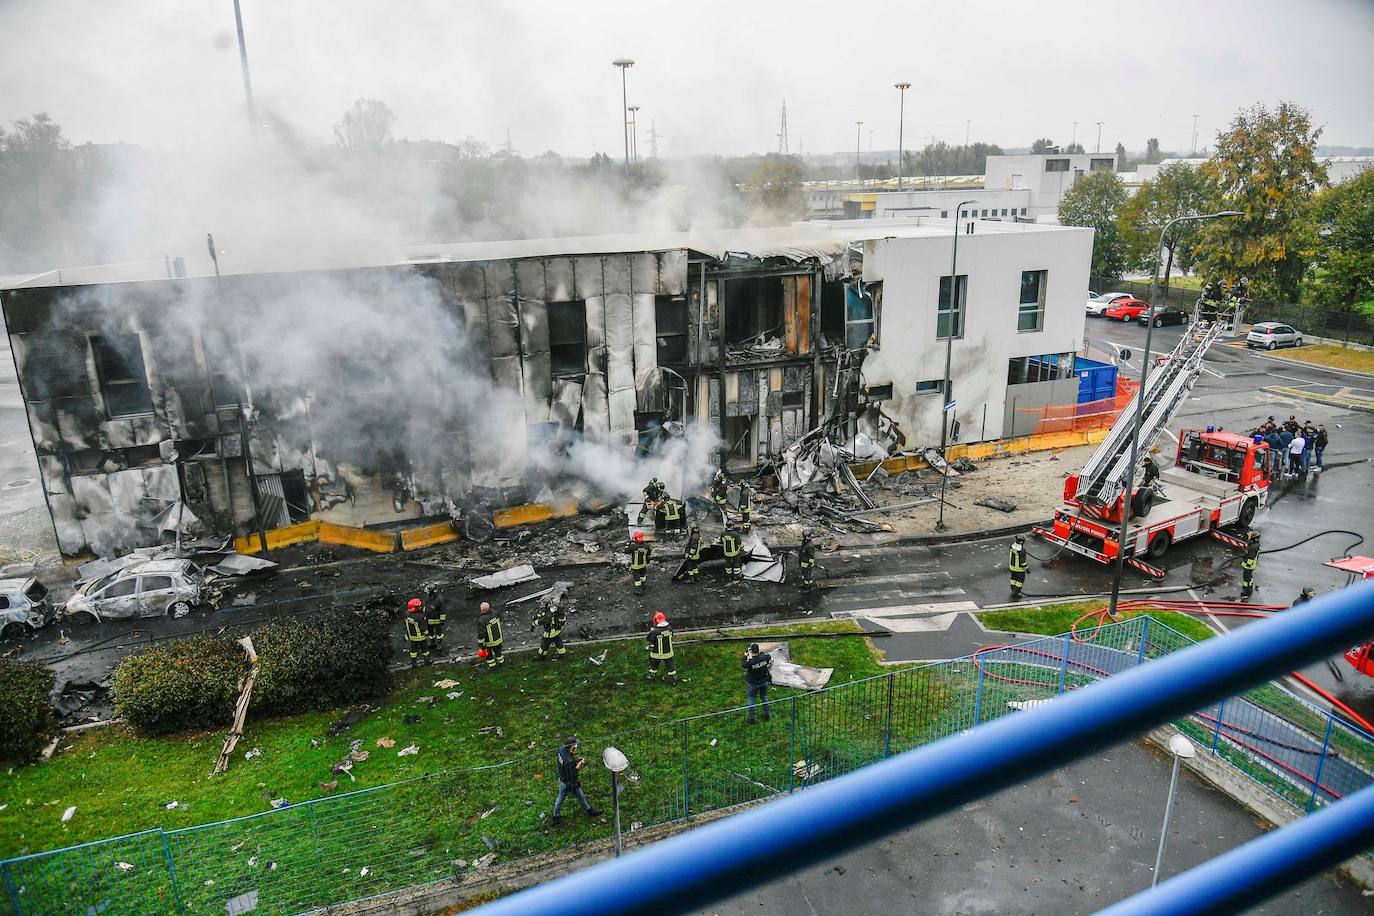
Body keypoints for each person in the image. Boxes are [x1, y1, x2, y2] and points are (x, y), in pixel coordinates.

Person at [551, 737, 601, 825]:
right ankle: (590, 811)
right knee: (579, 795)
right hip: (570, 782)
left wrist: (575, 761)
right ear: (571, 747)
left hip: (563, 779)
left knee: (562, 797)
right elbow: (573, 773)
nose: (576, 747)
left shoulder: (561, 750)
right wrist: (579, 765)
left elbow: (567, 764)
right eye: (574, 746)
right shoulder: (569, 761)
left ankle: (556, 816)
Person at [742, 643, 773, 724]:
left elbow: (744, 664)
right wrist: (761, 653)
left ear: (751, 651)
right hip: (764, 681)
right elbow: (768, 656)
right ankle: (767, 715)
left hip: (753, 683)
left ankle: (751, 718)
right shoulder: (764, 658)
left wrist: (746, 656)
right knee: (764, 697)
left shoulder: (750, 662)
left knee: (752, 699)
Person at [645, 611, 677, 683]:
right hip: (668, 652)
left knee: (654, 664)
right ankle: (673, 677)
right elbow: (671, 635)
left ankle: (652, 675)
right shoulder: (669, 628)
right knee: (670, 665)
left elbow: (650, 639)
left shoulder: (655, 632)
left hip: (657, 653)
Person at [477, 602, 505, 669]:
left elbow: (481, 634)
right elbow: (500, 620)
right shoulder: (495, 613)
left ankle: (493, 667)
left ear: (481, 609)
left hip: (489, 642)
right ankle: (501, 664)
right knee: (498, 653)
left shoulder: (482, 620)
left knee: (489, 656)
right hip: (498, 639)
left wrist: (481, 645)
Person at [404, 597, 429, 667]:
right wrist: (427, 634)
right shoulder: (420, 617)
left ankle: (414, 663)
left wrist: (406, 636)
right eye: (419, 607)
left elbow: (407, 626)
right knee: (425, 650)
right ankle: (426, 662)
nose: (420, 607)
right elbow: (423, 628)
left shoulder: (407, 614)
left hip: (412, 637)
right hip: (421, 637)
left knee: (413, 651)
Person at [423, 583, 446, 658]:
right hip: (429, 619)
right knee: (431, 633)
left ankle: (439, 644)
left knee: (439, 634)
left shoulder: (439, 599)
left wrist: (442, 620)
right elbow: (426, 607)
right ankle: (432, 643)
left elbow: (443, 610)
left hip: (437, 620)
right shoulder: (428, 597)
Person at [1008, 535, 1030, 600]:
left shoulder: (1012, 546)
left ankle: (1013, 590)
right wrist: (1027, 569)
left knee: (1013, 578)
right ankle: (1015, 593)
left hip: (1012, 567)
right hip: (1019, 569)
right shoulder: (1022, 550)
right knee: (1020, 581)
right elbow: (1022, 562)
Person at [1240, 531, 1260, 599]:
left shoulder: (1254, 547)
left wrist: (1247, 566)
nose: (1249, 537)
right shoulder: (1254, 544)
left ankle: (1247, 591)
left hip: (1249, 566)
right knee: (1249, 578)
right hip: (1249, 565)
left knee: (1246, 579)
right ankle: (1249, 588)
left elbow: (1251, 558)